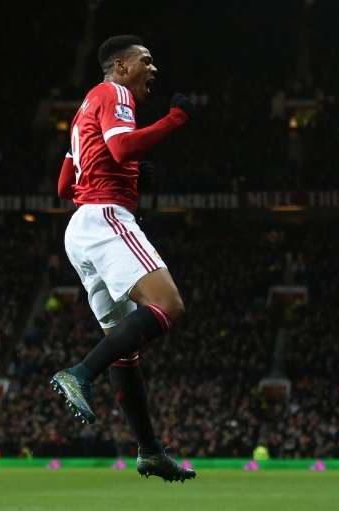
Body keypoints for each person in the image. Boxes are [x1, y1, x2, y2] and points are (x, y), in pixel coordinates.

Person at [51, 34, 196, 482]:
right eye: (145, 61)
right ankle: (80, 373)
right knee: (168, 304)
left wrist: (128, 175)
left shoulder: (82, 111)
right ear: (120, 66)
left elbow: (64, 186)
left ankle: (150, 450)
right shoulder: (115, 93)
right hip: (106, 218)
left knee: (125, 350)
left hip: (81, 228)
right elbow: (121, 148)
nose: (153, 69)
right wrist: (175, 119)